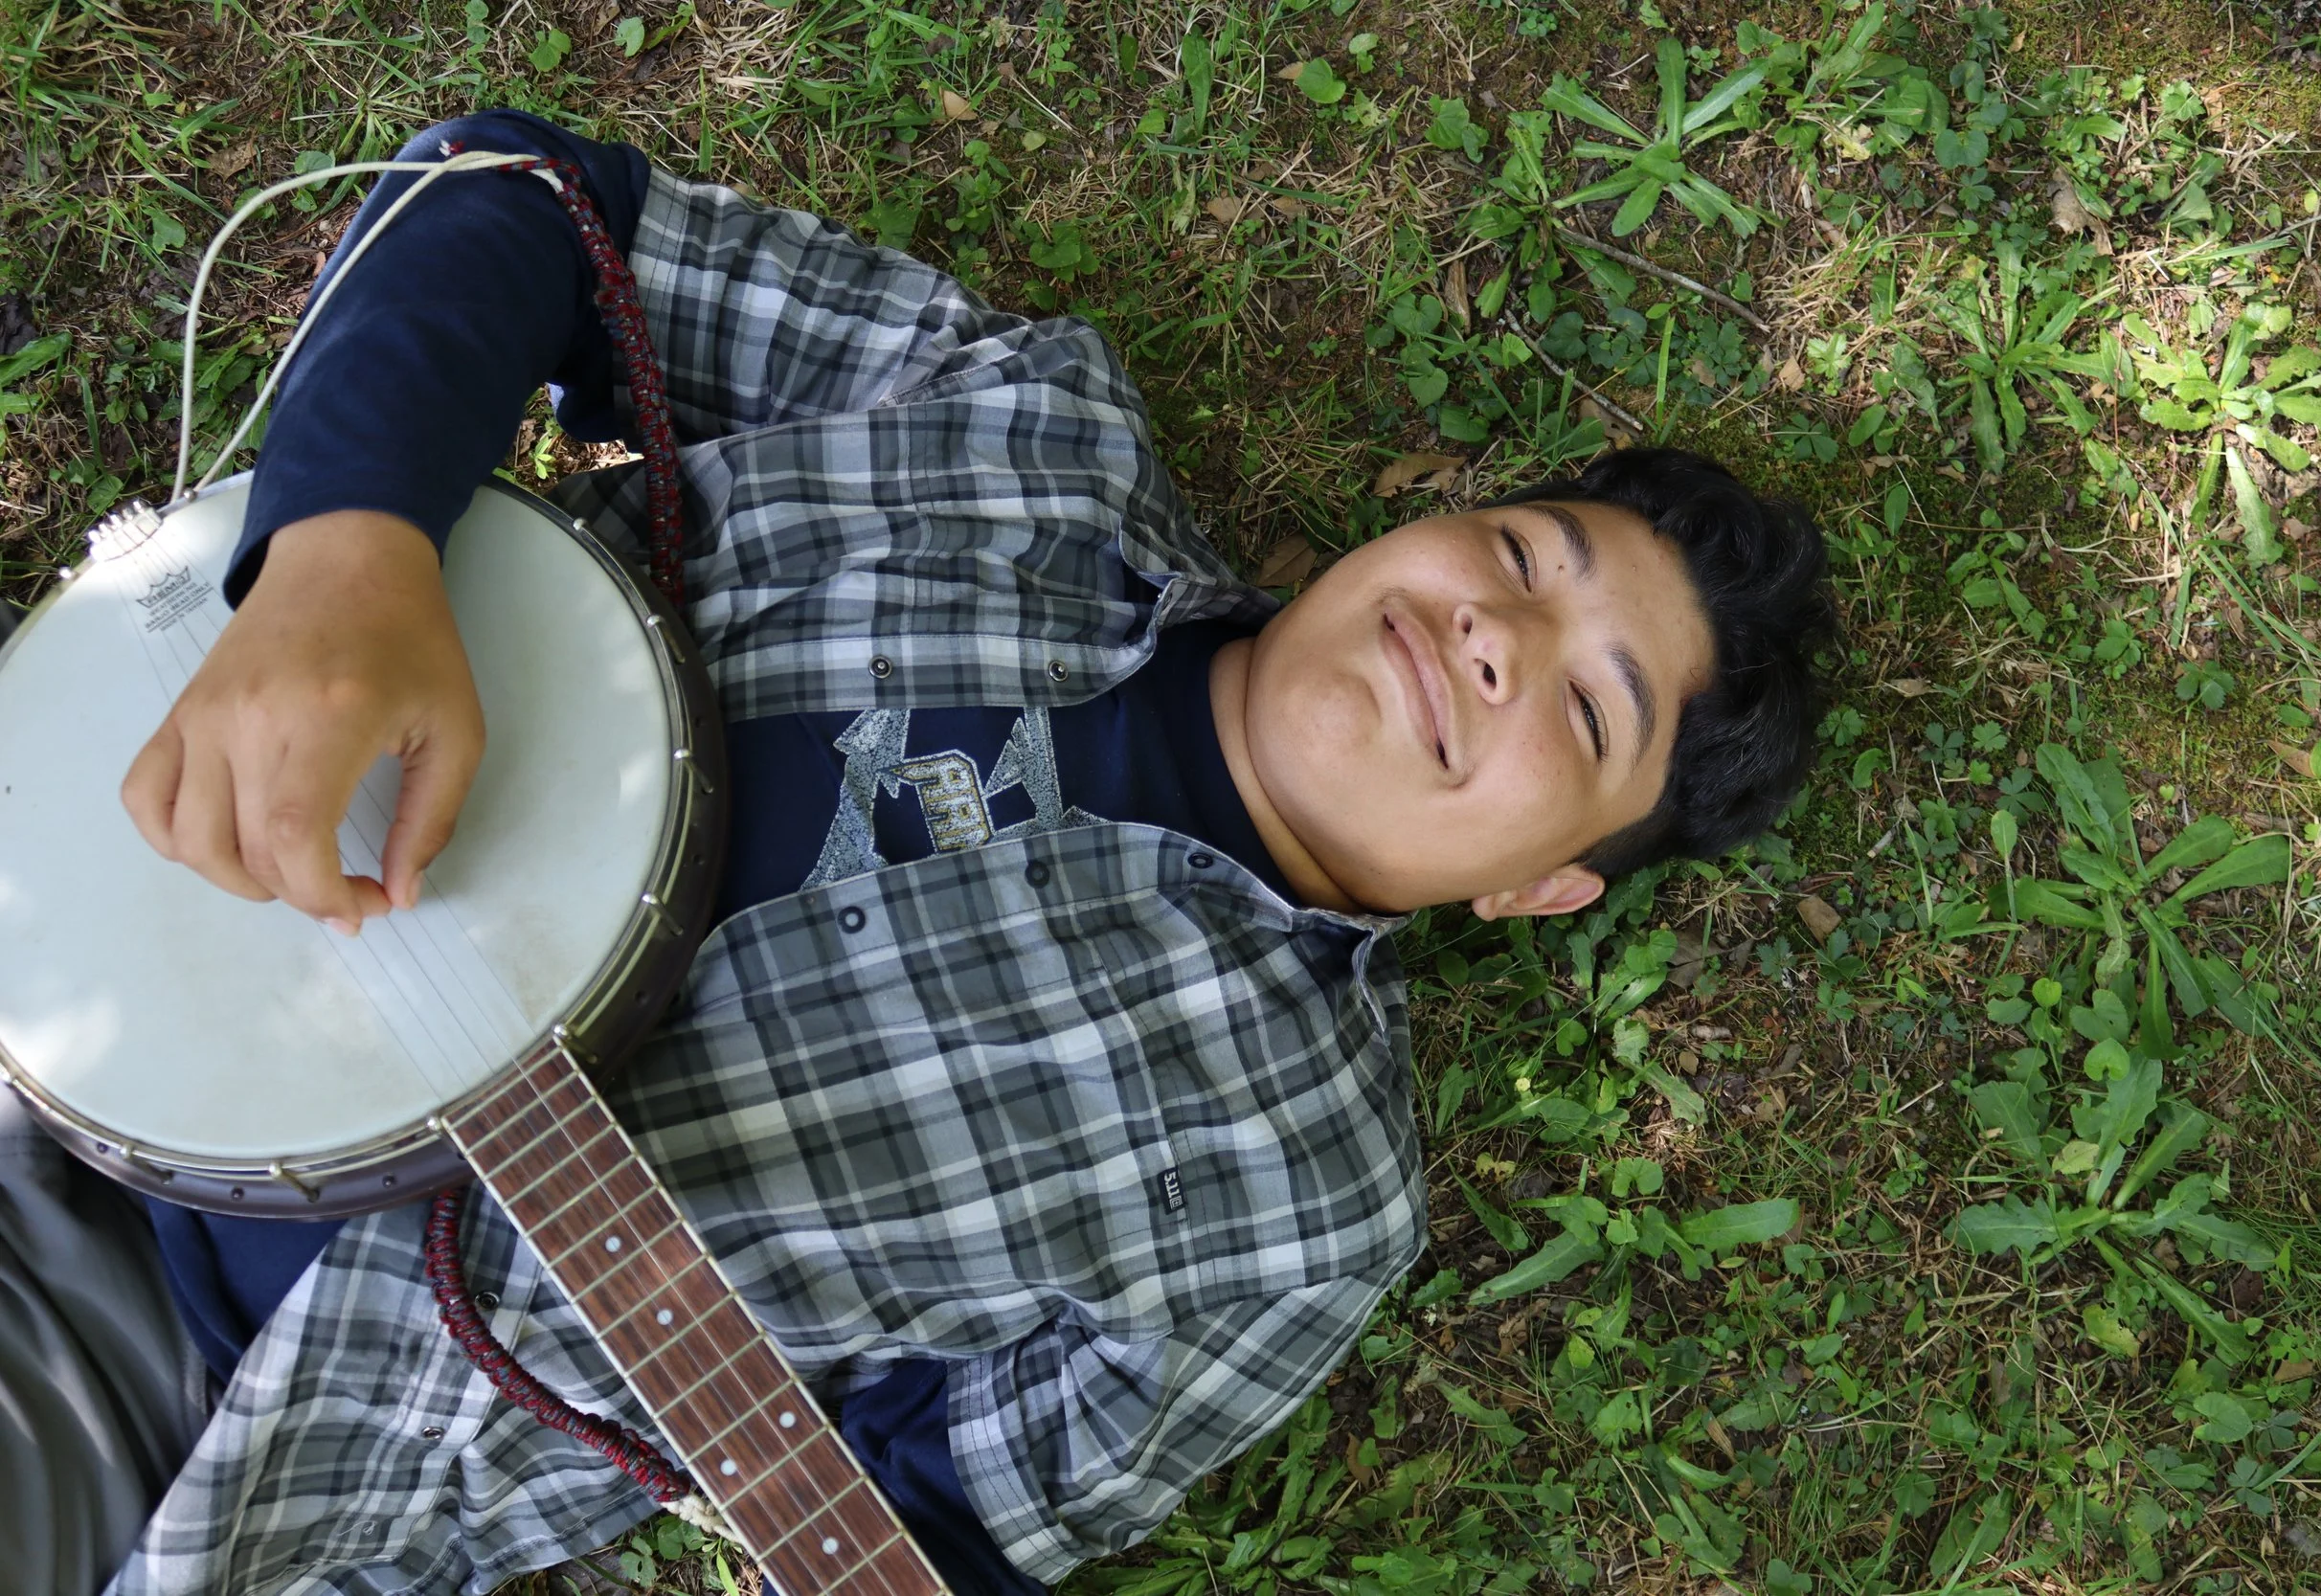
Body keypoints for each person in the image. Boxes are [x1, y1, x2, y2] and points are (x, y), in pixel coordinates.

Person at [0, 109, 1833, 1596]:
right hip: (98, 878)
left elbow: (941, 1521)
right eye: (1521, 554)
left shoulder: (1308, 1206)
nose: (1498, 635)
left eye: (1584, 709)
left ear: (1544, 886)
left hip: (201, 1398)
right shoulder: (1029, 428)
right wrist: (346, 551)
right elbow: (522, 199)